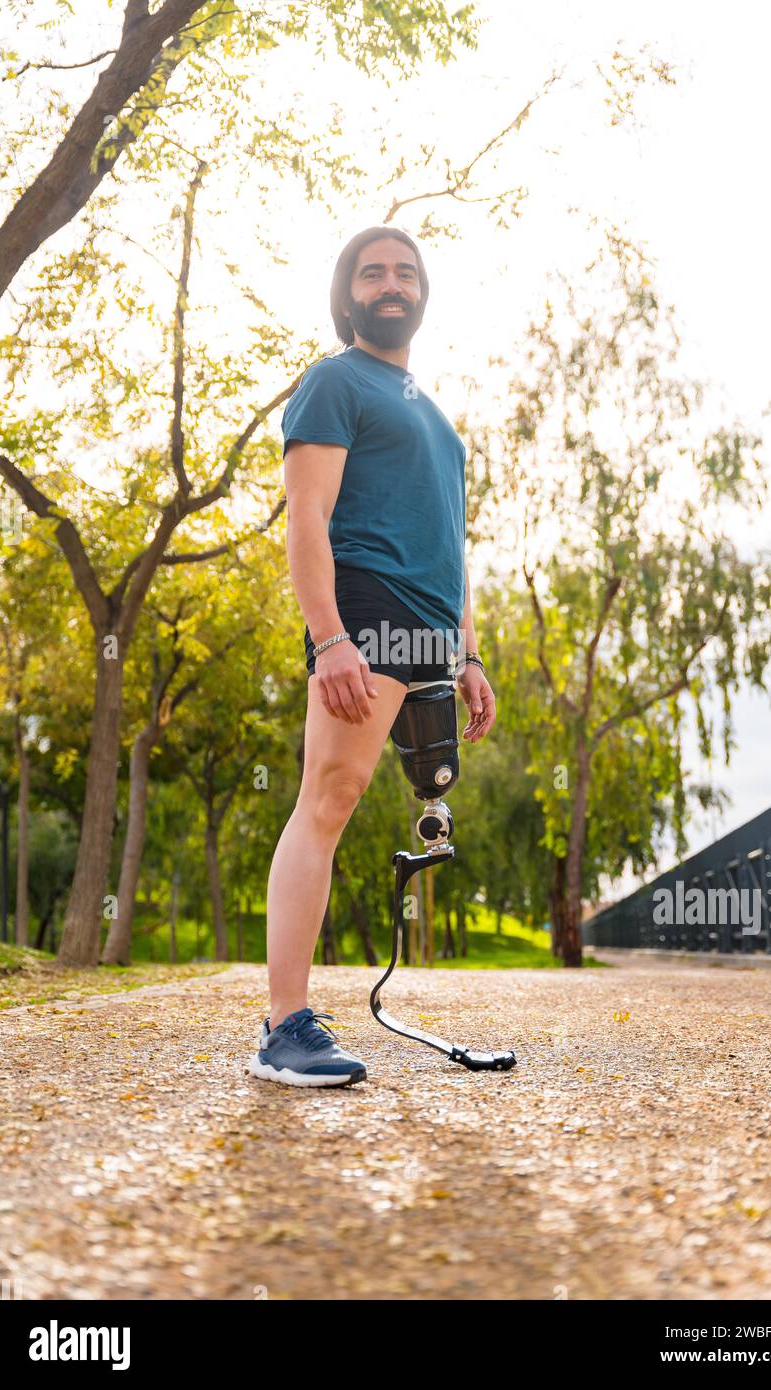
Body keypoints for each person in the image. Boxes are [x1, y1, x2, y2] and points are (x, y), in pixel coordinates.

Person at [248, 225, 496, 1088]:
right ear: (348, 293)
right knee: (329, 797)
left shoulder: (433, 411)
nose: (391, 284)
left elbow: (453, 542)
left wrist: (466, 653)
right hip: (368, 611)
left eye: (405, 272)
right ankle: (283, 1028)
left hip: (430, 629)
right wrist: (329, 636)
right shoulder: (334, 382)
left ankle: (289, 1022)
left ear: (422, 293)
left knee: (375, 801)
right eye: (373, 273)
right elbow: (307, 517)